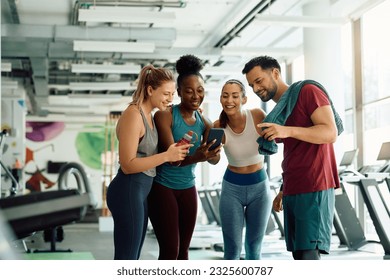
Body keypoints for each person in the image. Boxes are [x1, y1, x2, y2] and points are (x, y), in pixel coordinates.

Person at [242, 55, 343, 260]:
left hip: (314, 184)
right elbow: (295, 153)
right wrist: (283, 189)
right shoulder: (283, 110)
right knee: (299, 254)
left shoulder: (308, 91)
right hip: (294, 187)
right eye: (252, 85)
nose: (255, 88)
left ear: (276, 73)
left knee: (308, 255)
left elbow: (329, 132)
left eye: (259, 80)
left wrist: (287, 131)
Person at [106, 65, 192, 260]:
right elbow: (127, 164)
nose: (170, 99)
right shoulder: (133, 115)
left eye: (172, 94)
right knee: (126, 258)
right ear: (150, 90)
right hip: (128, 188)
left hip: (140, 190)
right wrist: (166, 156)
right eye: (166, 94)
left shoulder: (150, 116)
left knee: (133, 256)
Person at [147, 54, 222, 260]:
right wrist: (198, 157)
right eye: (189, 91)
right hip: (163, 188)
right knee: (170, 251)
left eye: (200, 91)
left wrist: (214, 152)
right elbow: (171, 157)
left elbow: (214, 160)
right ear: (178, 92)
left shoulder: (205, 122)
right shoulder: (165, 116)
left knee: (183, 252)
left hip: (188, 188)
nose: (195, 96)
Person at [213, 79, 272, 260]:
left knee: (254, 247)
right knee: (232, 249)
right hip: (232, 188)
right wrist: (209, 152)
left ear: (244, 99)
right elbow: (214, 160)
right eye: (225, 96)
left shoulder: (257, 115)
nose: (229, 100)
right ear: (221, 99)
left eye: (235, 96)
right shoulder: (217, 126)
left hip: (259, 188)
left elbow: (273, 142)